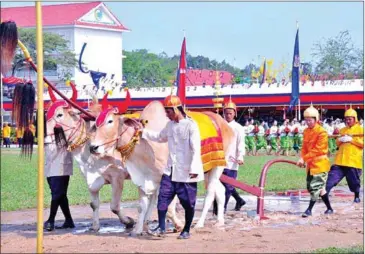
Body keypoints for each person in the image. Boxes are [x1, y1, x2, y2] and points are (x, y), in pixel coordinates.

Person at [141, 94, 204, 240]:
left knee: (188, 204)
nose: (167, 115)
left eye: (168, 112)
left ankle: (186, 229)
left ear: (176, 109)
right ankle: (162, 227)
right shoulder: (169, 126)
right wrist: (143, 132)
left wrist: (194, 169)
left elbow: (196, 149)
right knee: (162, 200)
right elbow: (159, 137)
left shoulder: (191, 126)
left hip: (186, 173)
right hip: (170, 171)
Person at [296, 104, 333, 217]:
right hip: (311, 165)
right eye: (306, 120)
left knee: (315, 187)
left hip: (320, 164)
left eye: (310, 120)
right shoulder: (306, 131)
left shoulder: (322, 132)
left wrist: (304, 158)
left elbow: (318, 150)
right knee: (318, 188)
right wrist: (302, 158)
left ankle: (309, 210)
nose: (308, 122)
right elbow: (304, 148)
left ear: (316, 119)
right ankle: (329, 209)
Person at [213, 98, 246, 214]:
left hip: (232, 161)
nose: (228, 115)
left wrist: (240, 157)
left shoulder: (238, 128)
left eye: (230, 113)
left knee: (228, 187)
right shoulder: (219, 126)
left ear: (235, 114)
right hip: (219, 160)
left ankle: (222, 209)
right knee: (218, 184)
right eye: (226, 113)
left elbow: (241, 144)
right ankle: (237, 200)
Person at [326, 106, 364, 203]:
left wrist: (352, 140)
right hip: (340, 160)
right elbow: (337, 143)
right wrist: (340, 140)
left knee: (354, 182)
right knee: (331, 178)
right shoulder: (342, 130)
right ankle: (324, 194)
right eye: (346, 119)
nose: (348, 121)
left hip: (352, 161)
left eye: (350, 119)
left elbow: (362, 144)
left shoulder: (361, 130)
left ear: (355, 119)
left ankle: (356, 196)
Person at [43, 132, 75, 231]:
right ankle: (69, 220)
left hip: (62, 168)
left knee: (57, 194)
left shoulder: (65, 132)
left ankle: (51, 220)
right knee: (61, 195)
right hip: (50, 168)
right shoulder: (46, 133)